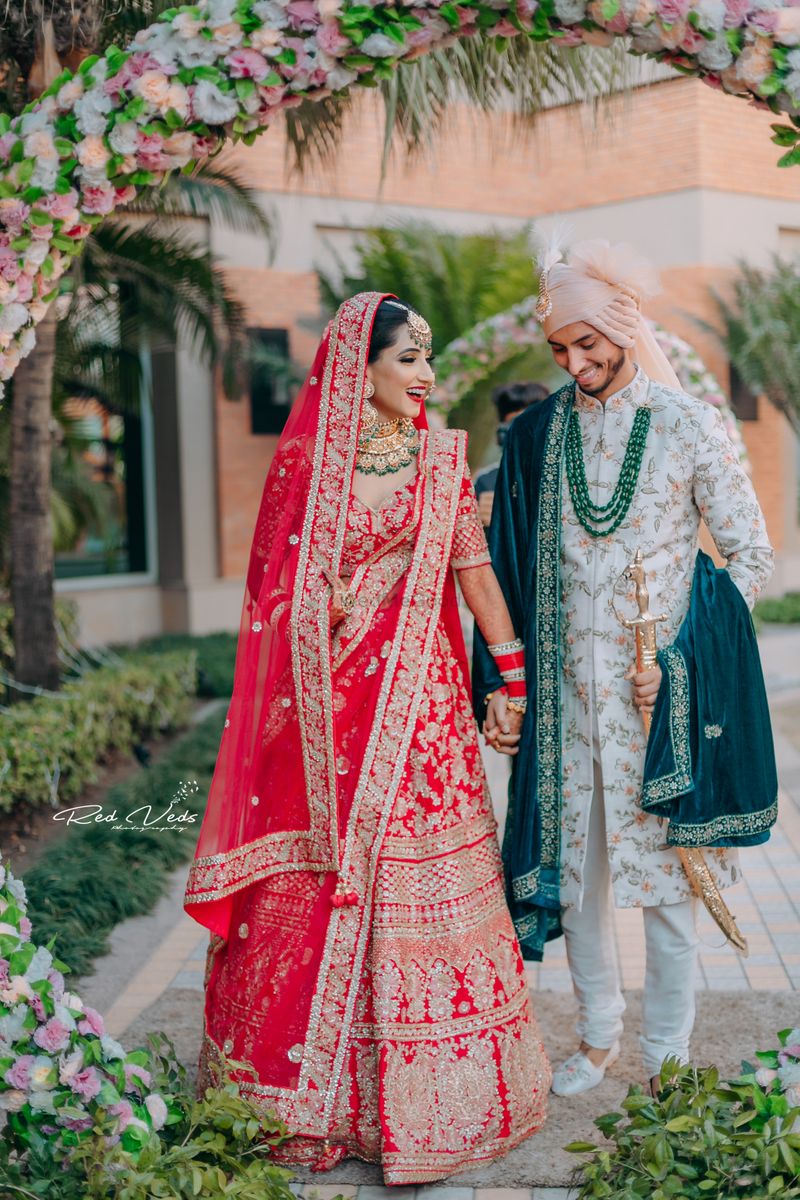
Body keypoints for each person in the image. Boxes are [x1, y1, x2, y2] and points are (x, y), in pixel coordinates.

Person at [184, 292, 550, 1184]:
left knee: (411, 883)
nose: (427, 377)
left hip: (419, 715)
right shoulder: (308, 469)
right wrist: (318, 606)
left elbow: (477, 578)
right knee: (319, 885)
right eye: (409, 360)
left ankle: (437, 1104)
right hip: (323, 718)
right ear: (362, 367)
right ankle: (305, 1100)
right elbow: (267, 600)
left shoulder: (441, 461)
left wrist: (512, 679)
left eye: (429, 359)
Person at [473, 239, 777, 1100]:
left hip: (659, 710)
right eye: (559, 351)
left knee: (669, 896)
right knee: (579, 889)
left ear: (623, 328)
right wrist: (508, 690)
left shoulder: (688, 426)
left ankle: (667, 1057)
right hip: (570, 710)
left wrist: (686, 663)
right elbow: (504, 565)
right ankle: (598, 1037)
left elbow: (750, 558)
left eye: (589, 345)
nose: (576, 364)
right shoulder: (535, 436)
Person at [475, 381, 549, 527]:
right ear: (503, 435)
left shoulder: (570, 474)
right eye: (517, 426)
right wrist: (477, 523)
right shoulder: (486, 482)